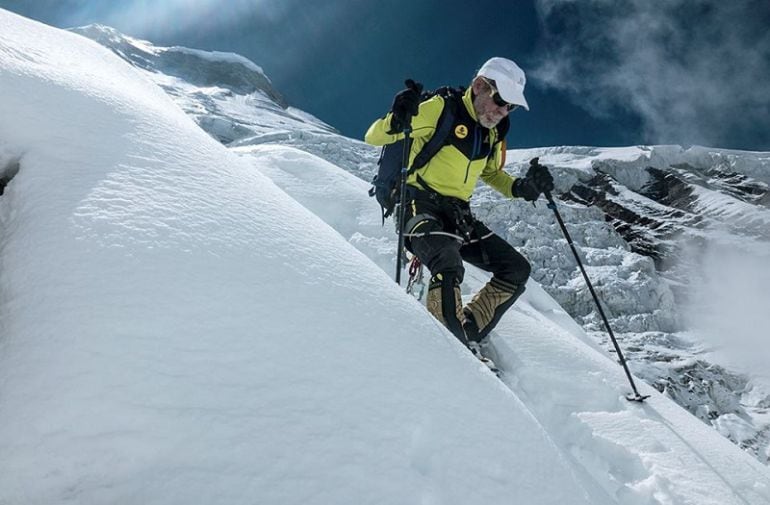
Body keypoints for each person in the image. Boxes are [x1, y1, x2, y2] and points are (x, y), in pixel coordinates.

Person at [364, 57, 554, 357]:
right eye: (501, 101)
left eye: (511, 107)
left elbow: (491, 174)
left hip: (457, 215)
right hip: (417, 203)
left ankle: (465, 330)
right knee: (446, 261)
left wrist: (522, 188)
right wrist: (397, 116)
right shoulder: (441, 108)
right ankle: (452, 356)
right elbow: (374, 136)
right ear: (480, 86)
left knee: (516, 269)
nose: (503, 112)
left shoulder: (491, 134)